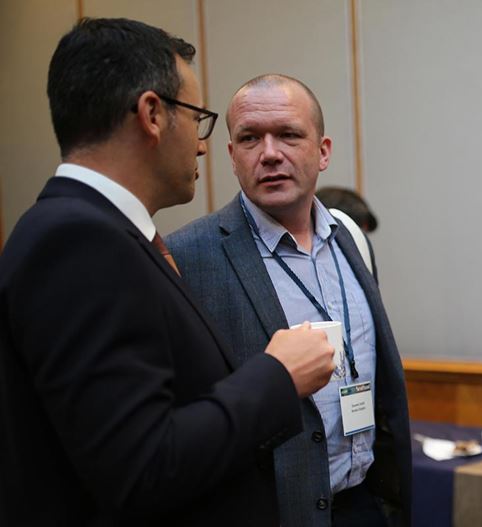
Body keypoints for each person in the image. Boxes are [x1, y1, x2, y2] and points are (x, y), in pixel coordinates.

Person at [0, 19, 335, 527]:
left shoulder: (100, 233)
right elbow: (141, 466)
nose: (201, 146)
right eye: (198, 119)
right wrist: (278, 377)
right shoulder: (77, 241)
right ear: (153, 115)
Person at [166, 74, 411, 526]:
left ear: (323, 151)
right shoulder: (187, 257)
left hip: (367, 502)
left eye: (289, 135)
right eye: (250, 139)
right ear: (232, 156)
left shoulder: (350, 238)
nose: (270, 153)